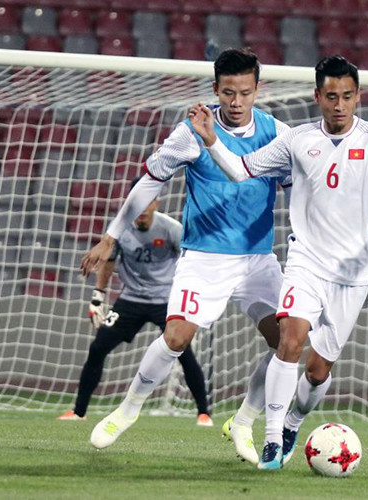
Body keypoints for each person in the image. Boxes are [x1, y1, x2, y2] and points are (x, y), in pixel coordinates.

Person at [188, 55, 368, 470]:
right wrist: (211, 141)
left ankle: (294, 422)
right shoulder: (295, 140)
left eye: (347, 96)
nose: (339, 105)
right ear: (317, 96)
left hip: (353, 273)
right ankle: (273, 439)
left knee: (317, 370)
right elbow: (240, 170)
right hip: (306, 262)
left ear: (358, 96)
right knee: (289, 340)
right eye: (331, 97)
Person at [82, 48, 291, 464]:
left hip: (257, 259)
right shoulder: (191, 131)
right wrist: (111, 236)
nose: (236, 102)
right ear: (215, 89)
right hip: (205, 257)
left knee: (289, 342)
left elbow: (298, 188)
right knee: (176, 337)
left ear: (257, 90)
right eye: (228, 92)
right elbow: (150, 181)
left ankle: (244, 421)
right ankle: (128, 410)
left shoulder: (278, 134)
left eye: (245, 93)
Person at [58, 178, 212, 426]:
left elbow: (191, 262)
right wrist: (98, 296)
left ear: (155, 203)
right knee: (97, 348)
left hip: (165, 301)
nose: (141, 209)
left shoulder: (171, 229)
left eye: (146, 202)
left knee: (183, 351)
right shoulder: (119, 230)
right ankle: (79, 412)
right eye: (137, 203)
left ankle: (204, 413)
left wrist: (191, 296)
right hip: (130, 300)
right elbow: (108, 263)